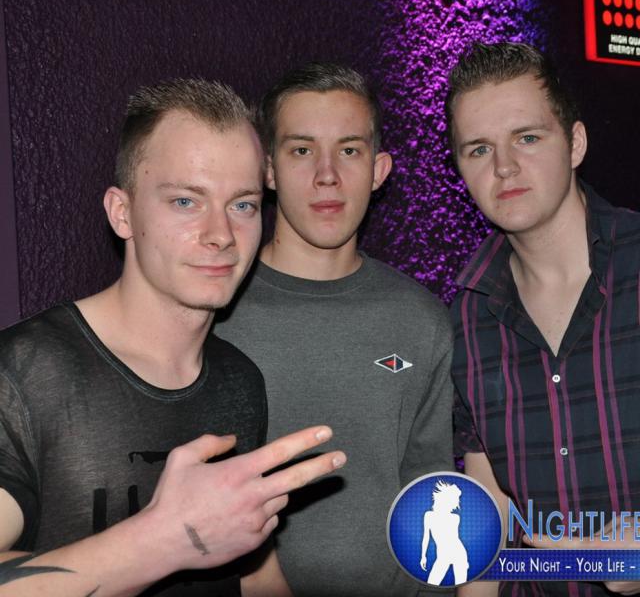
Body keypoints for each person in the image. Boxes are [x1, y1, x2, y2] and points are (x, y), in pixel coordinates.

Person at [0, 78, 346, 597]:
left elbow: (254, 574)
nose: (221, 234)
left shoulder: (238, 379)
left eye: (243, 205)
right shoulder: (25, 373)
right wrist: (166, 539)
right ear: (122, 213)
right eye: (186, 201)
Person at [215, 62, 454, 596]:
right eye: (302, 150)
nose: (327, 175)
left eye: (349, 150)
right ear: (268, 170)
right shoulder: (215, 312)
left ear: (379, 169)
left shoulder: (421, 318)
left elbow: (431, 481)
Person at [447, 42, 640, 596]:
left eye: (527, 138)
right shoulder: (468, 314)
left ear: (575, 143)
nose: (504, 166)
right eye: (479, 149)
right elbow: (488, 507)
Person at [420, 480, 468, 585]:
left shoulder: (455, 518)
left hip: (458, 553)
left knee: (461, 584)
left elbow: (454, 538)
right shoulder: (429, 515)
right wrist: (423, 556)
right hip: (442, 555)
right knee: (432, 583)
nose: (456, 503)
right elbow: (426, 537)